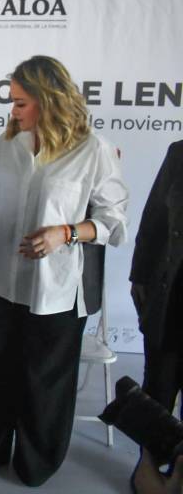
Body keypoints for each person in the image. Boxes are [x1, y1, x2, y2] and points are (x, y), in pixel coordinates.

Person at [0, 55, 129, 487]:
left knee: (44, 383)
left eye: (20, 103)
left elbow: (113, 221)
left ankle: (36, 464)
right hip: (1, 279)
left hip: (55, 289)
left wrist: (66, 233)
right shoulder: (3, 146)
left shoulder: (94, 152)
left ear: (48, 100)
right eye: (12, 102)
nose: (12, 111)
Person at [130, 139, 183, 488]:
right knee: (157, 389)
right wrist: (139, 276)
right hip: (171, 299)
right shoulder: (179, 154)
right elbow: (153, 222)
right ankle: (148, 466)